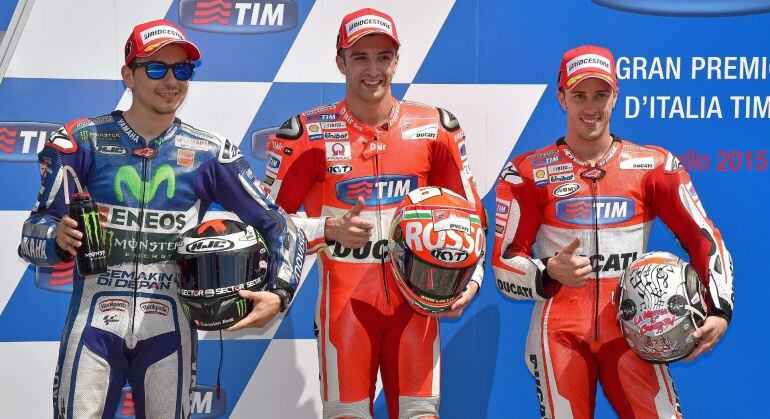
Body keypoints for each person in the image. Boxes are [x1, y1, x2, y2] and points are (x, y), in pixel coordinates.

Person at [17, 19, 305, 418]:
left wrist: (279, 291)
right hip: (93, 324)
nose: (171, 80)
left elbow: (280, 224)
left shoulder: (210, 152)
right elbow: (32, 231)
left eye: (182, 70)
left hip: (169, 325)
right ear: (128, 75)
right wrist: (56, 239)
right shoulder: (81, 140)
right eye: (156, 68)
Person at [263, 8, 486, 419]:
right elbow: (266, 224)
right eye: (360, 57)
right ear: (340, 61)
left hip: (419, 307)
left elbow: (473, 222)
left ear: (396, 61)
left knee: (421, 415)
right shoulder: (306, 134)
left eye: (383, 56)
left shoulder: (437, 128)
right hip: (345, 307)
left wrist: (467, 287)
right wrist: (326, 229)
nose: (373, 69)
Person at [492, 45, 734, 418]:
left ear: (615, 96)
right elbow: (503, 264)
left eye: (601, 95)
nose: (591, 108)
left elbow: (704, 237)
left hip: (639, 329)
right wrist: (547, 271)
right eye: (580, 96)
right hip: (559, 332)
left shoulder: (654, 166)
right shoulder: (527, 172)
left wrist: (718, 308)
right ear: (561, 98)